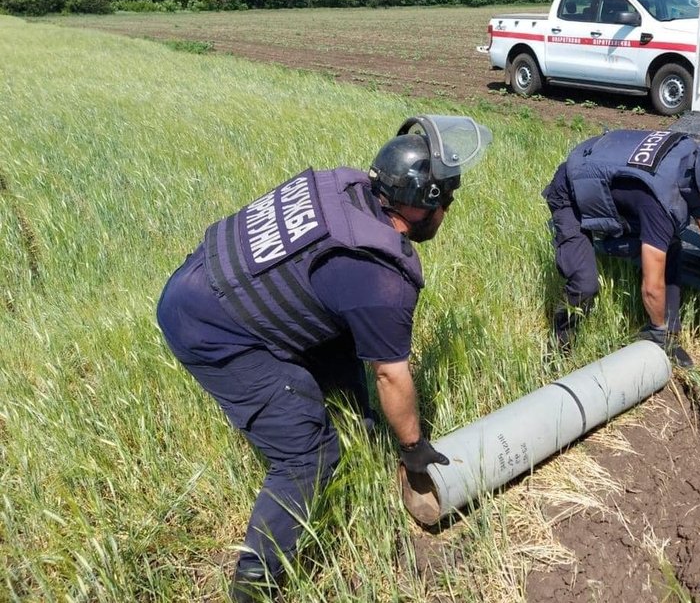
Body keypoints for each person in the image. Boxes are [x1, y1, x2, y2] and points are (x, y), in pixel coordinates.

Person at [156, 115, 492, 601]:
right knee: (308, 455)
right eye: (448, 198)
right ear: (424, 203)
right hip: (209, 327)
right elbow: (390, 373)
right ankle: (255, 585)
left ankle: (364, 425)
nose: (451, 208)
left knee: (342, 338)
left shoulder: (349, 187)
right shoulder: (380, 281)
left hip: (206, 275)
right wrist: (414, 446)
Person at [542, 129, 700, 366]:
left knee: (671, 245)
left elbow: (699, 200)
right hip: (571, 192)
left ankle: (669, 336)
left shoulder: (692, 156)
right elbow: (652, 286)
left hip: (611, 173)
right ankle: (559, 346)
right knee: (584, 283)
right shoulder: (659, 205)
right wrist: (656, 327)